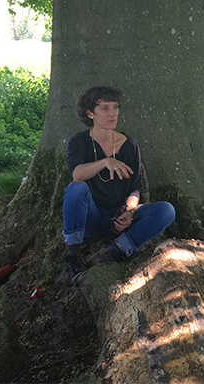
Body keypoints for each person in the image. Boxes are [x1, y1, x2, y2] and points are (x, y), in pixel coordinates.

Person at [62, 86, 176, 285]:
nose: (112, 113)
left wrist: (130, 211)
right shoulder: (78, 142)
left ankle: (116, 251)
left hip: (120, 214)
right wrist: (105, 162)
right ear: (90, 114)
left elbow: (135, 187)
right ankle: (74, 255)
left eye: (115, 107)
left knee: (166, 210)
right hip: (92, 216)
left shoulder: (129, 145)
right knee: (76, 188)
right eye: (105, 108)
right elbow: (77, 175)